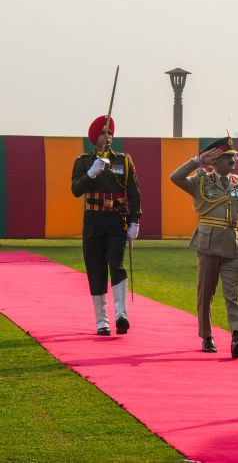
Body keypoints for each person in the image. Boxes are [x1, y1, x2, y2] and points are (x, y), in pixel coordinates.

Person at [170, 137, 238, 358]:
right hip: (208, 244)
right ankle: (207, 336)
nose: (234, 159)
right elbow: (175, 177)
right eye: (228, 156)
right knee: (206, 293)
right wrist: (198, 161)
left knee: (233, 294)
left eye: (234, 155)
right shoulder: (200, 181)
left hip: (233, 246)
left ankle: (237, 337)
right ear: (215, 160)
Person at [71, 115, 141, 336]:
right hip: (93, 220)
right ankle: (102, 321)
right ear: (94, 138)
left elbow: (134, 193)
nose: (108, 136)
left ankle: (122, 314)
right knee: (96, 270)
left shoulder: (124, 161)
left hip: (115, 220)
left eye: (110, 132)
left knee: (116, 265)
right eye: (103, 133)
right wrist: (92, 172)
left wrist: (135, 221)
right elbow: (75, 190)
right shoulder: (83, 162)